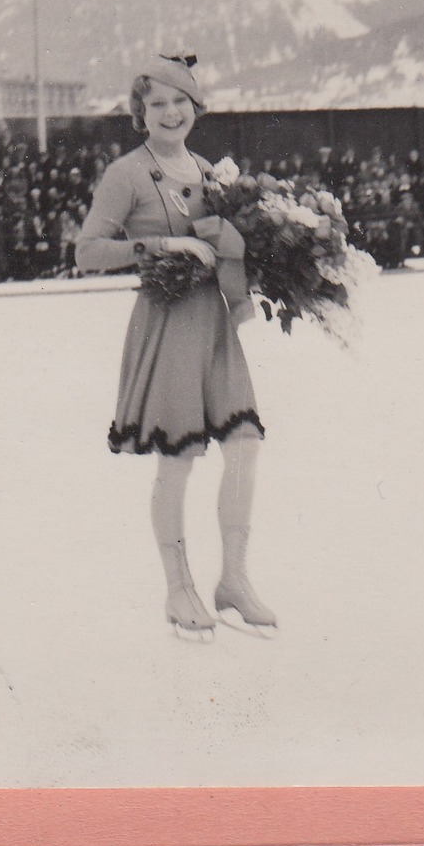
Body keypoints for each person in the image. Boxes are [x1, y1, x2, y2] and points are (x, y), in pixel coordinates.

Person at [75, 53, 273, 638]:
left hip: (213, 324)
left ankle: (233, 579)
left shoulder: (211, 171)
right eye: (156, 103)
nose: (169, 112)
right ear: (140, 113)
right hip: (166, 324)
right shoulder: (127, 174)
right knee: (179, 456)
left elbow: (231, 249)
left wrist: (246, 265)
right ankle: (178, 588)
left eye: (179, 101)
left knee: (243, 445)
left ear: (196, 107)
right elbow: (86, 252)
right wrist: (164, 245)